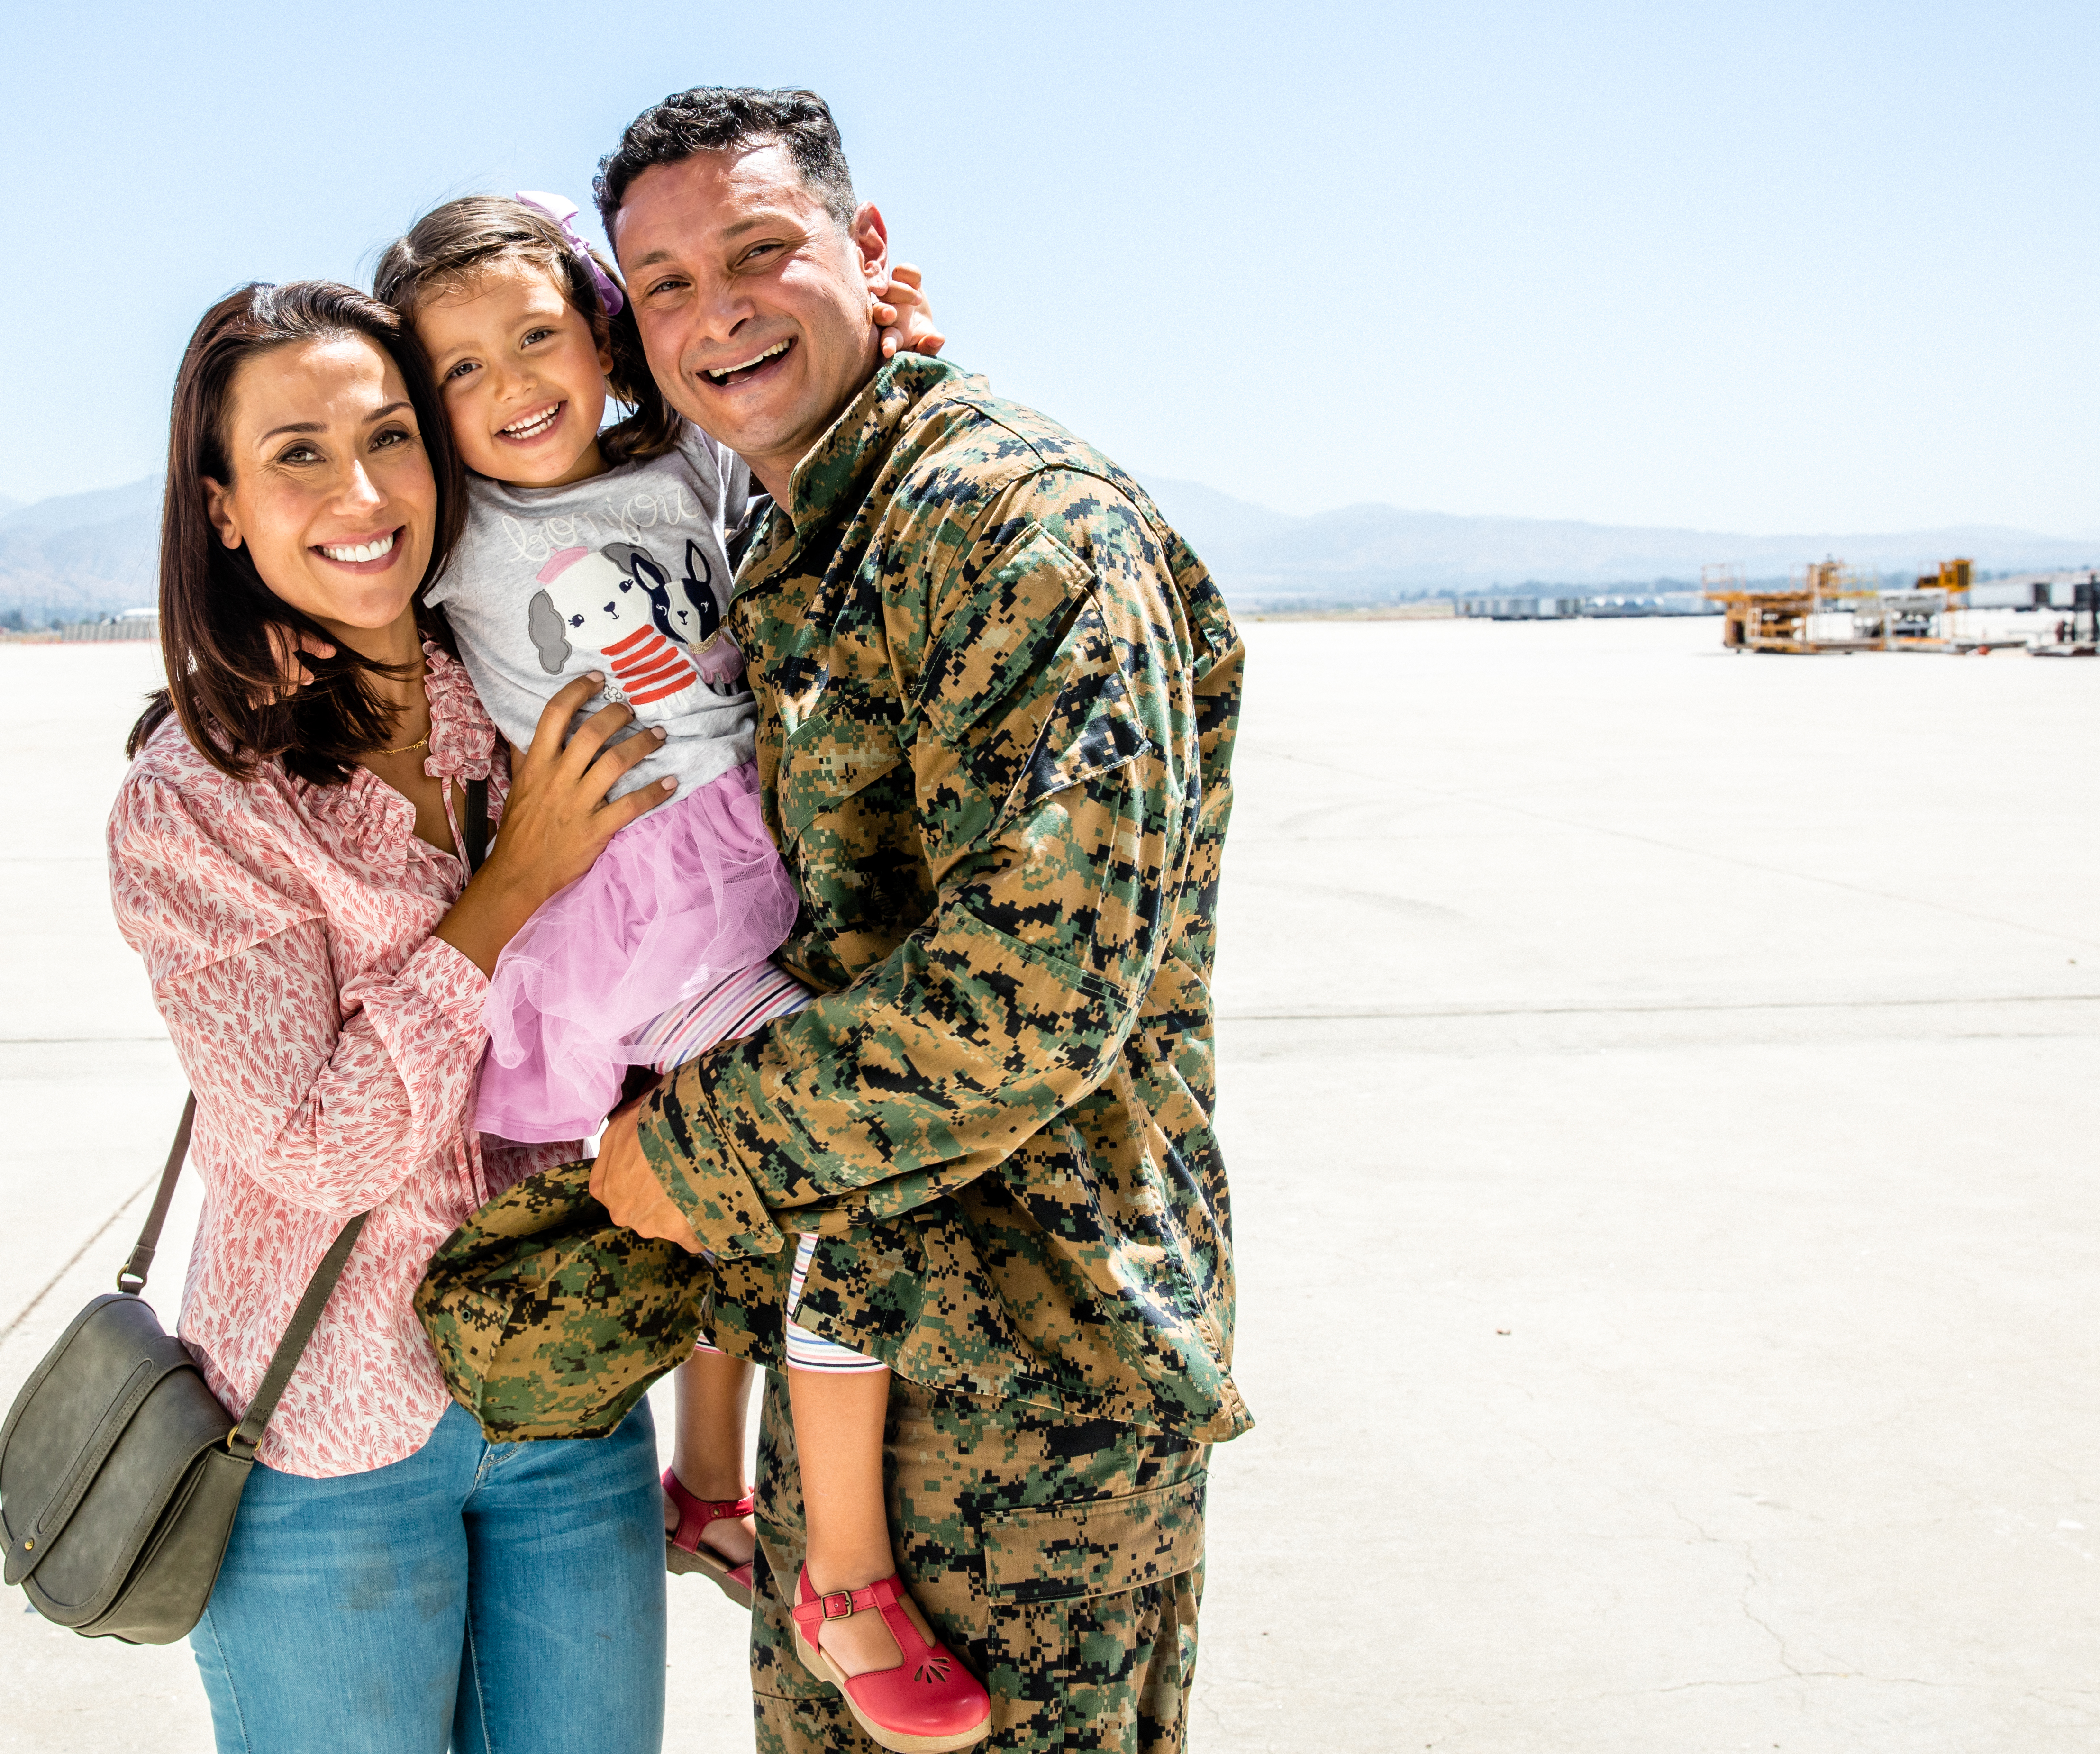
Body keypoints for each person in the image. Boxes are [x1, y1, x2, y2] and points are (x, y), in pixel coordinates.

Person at [584, 90, 1248, 1754]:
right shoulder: (804, 534)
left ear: (867, 254)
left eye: (758, 252)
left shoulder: (1016, 529)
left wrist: (694, 1153)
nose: (715, 310)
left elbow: (1023, 996)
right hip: (865, 1383)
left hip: (1030, 1405)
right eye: (662, 286)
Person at [370, 195, 991, 1754]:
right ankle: (841, 1572)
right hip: (649, 919)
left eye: (538, 335)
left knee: (740, 1195)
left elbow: (790, 434)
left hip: (753, 867)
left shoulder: (680, 466)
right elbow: (335, 560)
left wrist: (894, 337)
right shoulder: (459, 546)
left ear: (600, 330)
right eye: (460, 371)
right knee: (844, 1169)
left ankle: (709, 1481)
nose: (515, 384)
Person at [104, 278, 676, 1754]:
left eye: (391, 437)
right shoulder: (198, 796)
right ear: (222, 506)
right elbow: (313, 1144)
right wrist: (508, 889)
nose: (361, 494)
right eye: (297, 453)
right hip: (326, 1438)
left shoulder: (514, 671)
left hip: (564, 1386)